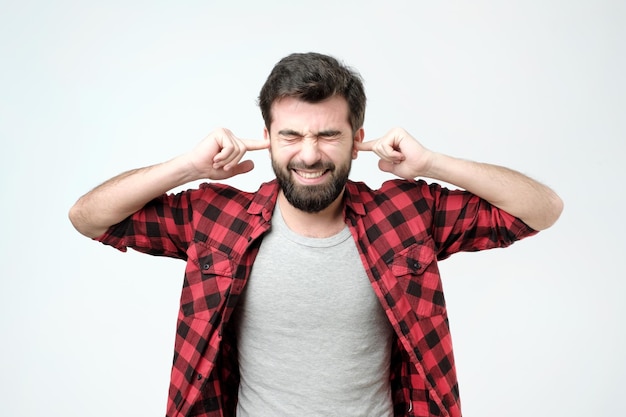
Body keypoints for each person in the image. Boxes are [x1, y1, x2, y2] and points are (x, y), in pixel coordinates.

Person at [69, 52, 563, 417]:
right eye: (291, 135)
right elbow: (90, 218)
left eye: (328, 135)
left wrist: (432, 163)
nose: (309, 155)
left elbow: (541, 210)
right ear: (267, 136)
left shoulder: (407, 214)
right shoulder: (217, 220)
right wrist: (188, 167)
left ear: (357, 137)